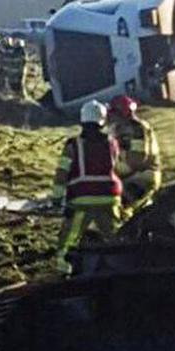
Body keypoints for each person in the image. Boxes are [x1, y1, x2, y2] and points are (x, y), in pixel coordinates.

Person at [51, 100, 122, 274]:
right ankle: (120, 266)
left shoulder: (73, 145)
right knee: (115, 237)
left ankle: (64, 270)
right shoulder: (112, 143)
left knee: (69, 239)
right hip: (110, 197)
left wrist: (57, 199)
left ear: (82, 120)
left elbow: (62, 173)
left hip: (82, 198)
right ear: (102, 120)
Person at [108, 95, 162, 217]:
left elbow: (137, 159)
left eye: (113, 113)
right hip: (133, 178)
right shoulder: (119, 128)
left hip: (140, 179)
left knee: (118, 211)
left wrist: (113, 167)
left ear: (122, 113)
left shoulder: (136, 128)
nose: (110, 117)